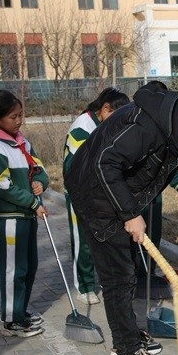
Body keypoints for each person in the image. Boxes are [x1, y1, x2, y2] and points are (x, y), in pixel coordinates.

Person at [65, 81, 178, 355]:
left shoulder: (168, 125)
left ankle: (126, 337)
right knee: (118, 276)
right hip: (96, 196)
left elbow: (148, 163)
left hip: (113, 195)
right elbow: (105, 162)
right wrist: (129, 213)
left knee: (126, 272)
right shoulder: (145, 124)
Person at [0, 89, 49, 338]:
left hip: (26, 215)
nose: (18, 121)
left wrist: (41, 182)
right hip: (9, 218)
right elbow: (2, 186)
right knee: (13, 270)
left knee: (29, 266)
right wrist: (32, 202)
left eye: (20, 116)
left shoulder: (21, 141)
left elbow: (38, 167)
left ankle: (20, 311)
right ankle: (10, 320)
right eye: (13, 117)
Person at [63, 87, 130, 305]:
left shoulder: (104, 125)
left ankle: (102, 278)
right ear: (104, 108)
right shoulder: (82, 127)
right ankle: (84, 285)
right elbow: (79, 166)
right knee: (83, 239)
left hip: (100, 192)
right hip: (79, 193)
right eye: (115, 116)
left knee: (101, 238)